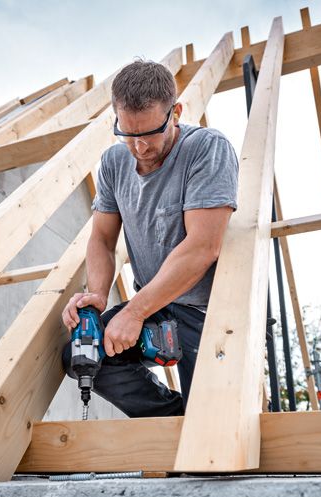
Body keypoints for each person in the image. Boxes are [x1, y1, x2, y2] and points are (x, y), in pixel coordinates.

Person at [60, 59, 238, 417]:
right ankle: (172, 423)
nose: (139, 147)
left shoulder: (206, 148)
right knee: (85, 353)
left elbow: (203, 247)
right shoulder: (112, 163)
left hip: (211, 313)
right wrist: (96, 294)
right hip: (158, 308)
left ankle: (196, 422)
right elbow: (101, 239)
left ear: (175, 112)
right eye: (128, 134)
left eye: (150, 133)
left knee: (213, 425)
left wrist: (136, 310)